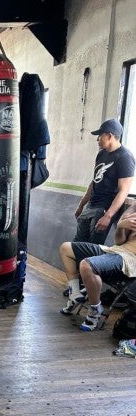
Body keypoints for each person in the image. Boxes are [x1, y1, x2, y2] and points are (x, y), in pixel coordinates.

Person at [59, 203, 136, 331]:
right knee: (66, 248)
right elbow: (119, 241)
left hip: (130, 260)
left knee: (87, 265)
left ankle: (95, 309)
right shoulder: (134, 208)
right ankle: (75, 294)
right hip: (115, 250)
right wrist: (121, 227)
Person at [73, 118, 135, 245]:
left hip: (103, 209)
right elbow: (95, 181)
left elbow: (123, 191)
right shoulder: (101, 154)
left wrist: (108, 216)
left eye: (100, 136)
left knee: (92, 248)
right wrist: (81, 205)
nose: (97, 139)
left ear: (109, 136)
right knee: (77, 245)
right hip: (90, 206)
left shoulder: (125, 157)